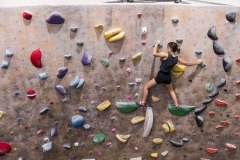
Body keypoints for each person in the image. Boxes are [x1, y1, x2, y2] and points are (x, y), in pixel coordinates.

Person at [139, 41, 202, 108]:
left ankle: (143, 102)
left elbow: (154, 54)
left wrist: (156, 44)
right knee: (171, 91)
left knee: (146, 86)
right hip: (168, 77)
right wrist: (196, 62)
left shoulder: (165, 54)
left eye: (167, 47)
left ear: (170, 48)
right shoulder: (177, 58)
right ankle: (177, 104)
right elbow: (187, 63)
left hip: (161, 76)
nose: (167, 49)